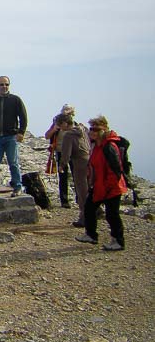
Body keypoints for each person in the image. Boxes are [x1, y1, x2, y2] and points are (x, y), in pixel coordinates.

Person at [75, 115, 128, 251]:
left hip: (111, 187)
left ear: (104, 129)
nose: (93, 132)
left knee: (112, 215)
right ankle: (91, 235)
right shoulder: (97, 145)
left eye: (96, 129)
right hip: (99, 185)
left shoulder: (109, 147)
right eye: (91, 129)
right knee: (89, 208)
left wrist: (108, 187)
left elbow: (115, 170)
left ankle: (118, 241)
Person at [55, 113, 90, 227]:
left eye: (60, 125)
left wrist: (62, 165)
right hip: (89, 160)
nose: (60, 128)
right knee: (89, 188)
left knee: (81, 190)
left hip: (79, 163)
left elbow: (66, 153)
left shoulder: (69, 135)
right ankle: (95, 211)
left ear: (65, 123)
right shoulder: (83, 129)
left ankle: (84, 218)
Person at [45, 104, 76, 208]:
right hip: (60, 152)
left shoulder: (75, 126)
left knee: (76, 176)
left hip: (73, 153)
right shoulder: (56, 125)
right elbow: (47, 135)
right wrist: (54, 129)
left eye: (68, 110)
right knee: (63, 176)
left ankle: (79, 198)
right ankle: (64, 200)